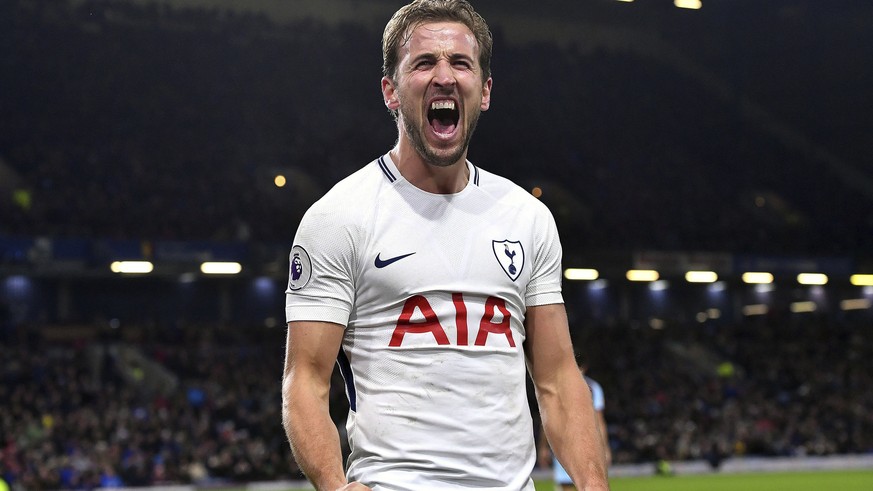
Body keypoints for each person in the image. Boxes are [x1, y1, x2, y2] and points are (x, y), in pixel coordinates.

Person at [281, 1, 609, 489]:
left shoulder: (528, 218)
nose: (444, 76)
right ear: (390, 91)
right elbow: (304, 380)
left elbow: (559, 379)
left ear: (485, 91)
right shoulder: (338, 217)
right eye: (423, 62)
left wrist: (594, 484)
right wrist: (334, 484)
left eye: (460, 62)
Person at [538, 366, 611, 490]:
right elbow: (599, 421)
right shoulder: (593, 388)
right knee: (588, 484)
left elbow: (549, 418)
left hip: (571, 443)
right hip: (572, 442)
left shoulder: (558, 387)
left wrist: (543, 447)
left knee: (583, 484)